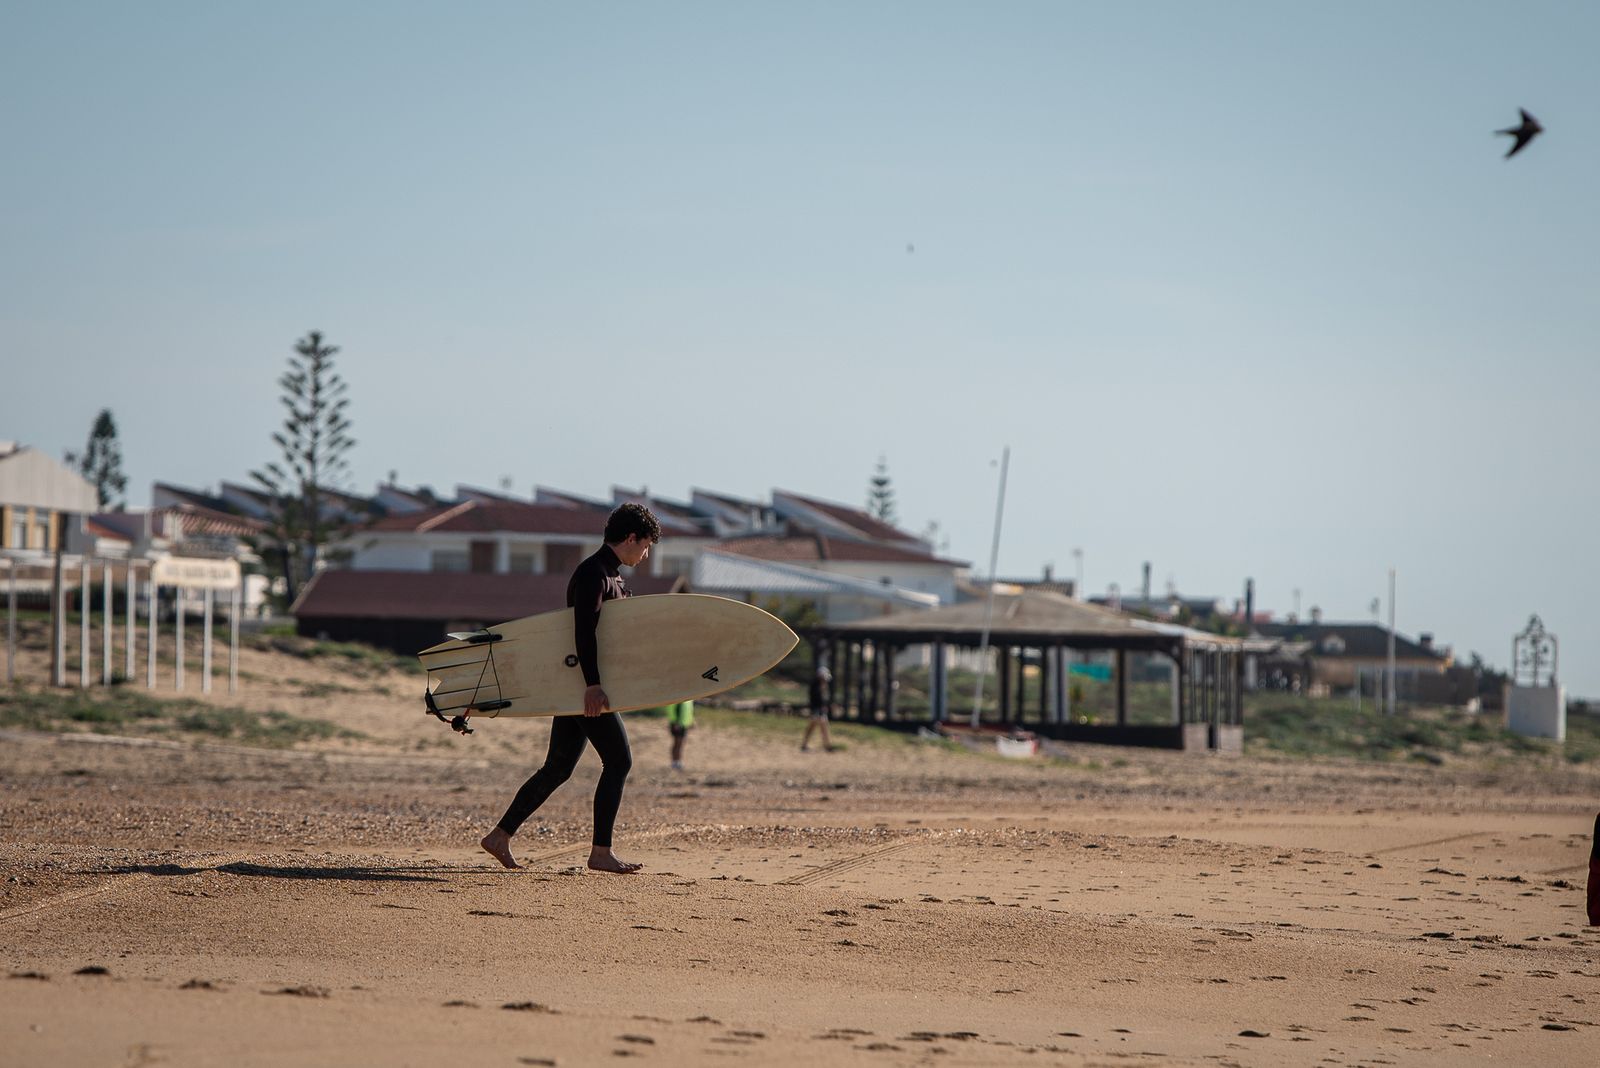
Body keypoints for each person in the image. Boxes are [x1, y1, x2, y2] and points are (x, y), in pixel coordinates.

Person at [480, 502, 661, 873]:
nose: (645, 555)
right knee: (619, 761)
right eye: (645, 546)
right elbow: (584, 632)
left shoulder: (613, 576)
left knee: (558, 768)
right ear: (630, 538)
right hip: (584, 687)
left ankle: (499, 836)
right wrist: (593, 685)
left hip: (577, 687)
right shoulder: (594, 574)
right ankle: (600, 852)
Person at [800, 665, 837, 752]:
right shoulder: (816, 686)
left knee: (818, 727)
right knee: (819, 727)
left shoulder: (820, 685)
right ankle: (827, 745)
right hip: (817, 710)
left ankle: (826, 745)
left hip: (818, 710)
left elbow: (824, 699)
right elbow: (817, 699)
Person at [664, 699, 694, 770]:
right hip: (677, 724)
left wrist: (691, 721)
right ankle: (675, 762)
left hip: (683, 724)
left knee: (680, 744)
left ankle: (678, 761)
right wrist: (675, 722)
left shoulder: (688, 698)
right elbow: (674, 710)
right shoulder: (679, 697)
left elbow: (688, 711)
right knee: (677, 743)